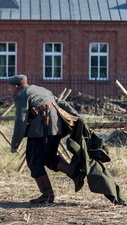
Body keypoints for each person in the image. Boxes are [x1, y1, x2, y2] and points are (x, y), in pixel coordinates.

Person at [8, 74, 84, 204]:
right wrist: (78, 117)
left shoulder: (21, 94)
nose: (10, 91)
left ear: (16, 86)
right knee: (49, 158)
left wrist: (15, 144)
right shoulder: (41, 90)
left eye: (11, 88)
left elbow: (21, 120)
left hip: (41, 128)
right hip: (56, 127)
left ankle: (47, 195)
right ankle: (74, 173)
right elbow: (62, 103)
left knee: (34, 161)